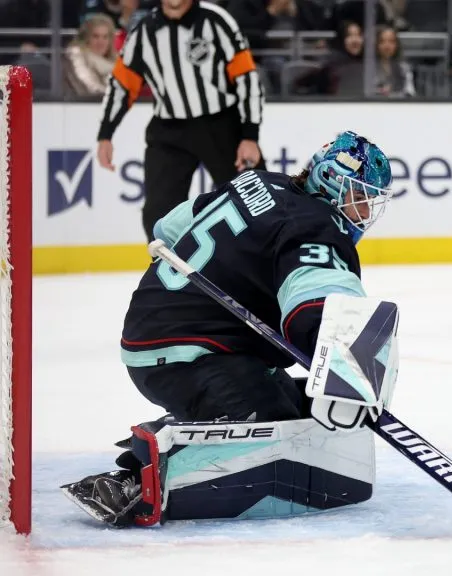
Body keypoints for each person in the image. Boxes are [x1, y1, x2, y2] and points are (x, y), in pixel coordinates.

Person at [62, 131, 397, 527]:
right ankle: (141, 478)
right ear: (331, 181)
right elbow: (315, 307)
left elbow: (168, 228)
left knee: (298, 410)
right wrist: (348, 369)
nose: (363, 211)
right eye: (360, 197)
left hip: (167, 332)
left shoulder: (259, 181)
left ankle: (187, 434)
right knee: (276, 429)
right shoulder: (316, 226)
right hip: (189, 352)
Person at [96, 0, 267, 242]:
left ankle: (265, 259)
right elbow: (122, 85)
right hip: (169, 130)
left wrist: (250, 136)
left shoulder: (216, 21)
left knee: (254, 199)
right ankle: (168, 265)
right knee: (158, 214)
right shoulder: (145, 31)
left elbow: (247, 79)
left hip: (221, 126)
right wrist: (105, 134)